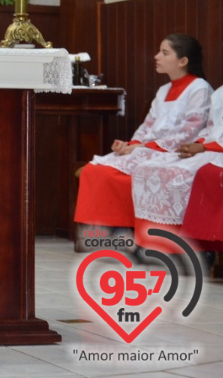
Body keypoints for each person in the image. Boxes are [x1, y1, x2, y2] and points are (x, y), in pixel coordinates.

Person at [74, 34, 212, 245]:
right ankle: (106, 237)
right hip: (149, 149)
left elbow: (191, 131)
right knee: (95, 171)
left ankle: (123, 236)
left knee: (117, 174)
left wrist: (145, 147)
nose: (156, 56)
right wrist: (130, 144)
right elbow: (147, 125)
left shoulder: (199, 88)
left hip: (174, 153)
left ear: (183, 61)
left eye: (164, 53)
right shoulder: (164, 89)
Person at [130, 83, 223, 255]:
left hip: (217, 151)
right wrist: (196, 144)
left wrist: (204, 148)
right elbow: (210, 130)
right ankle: (149, 242)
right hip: (208, 147)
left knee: (182, 174)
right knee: (148, 168)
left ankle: (185, 248)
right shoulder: (220, 94)